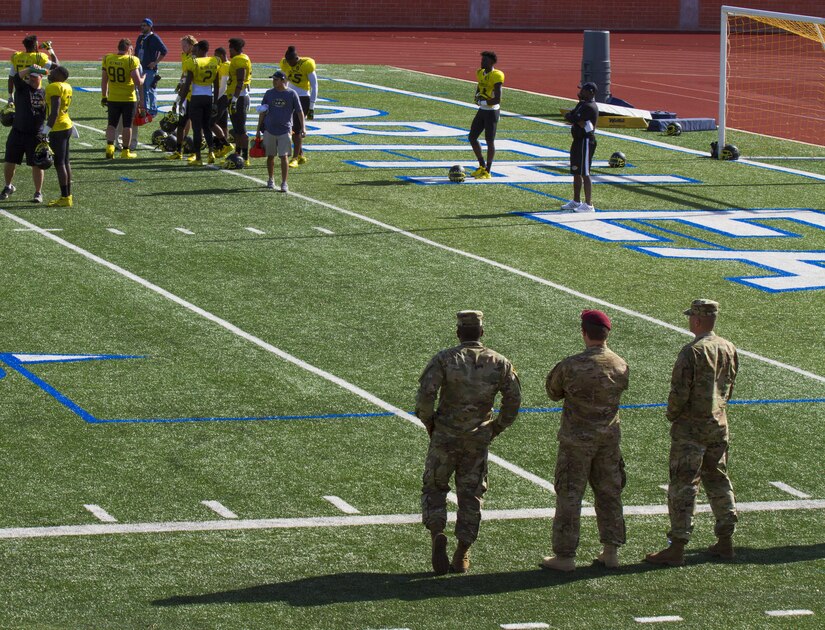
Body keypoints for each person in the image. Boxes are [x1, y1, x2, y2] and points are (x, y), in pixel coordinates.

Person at [416, 310, 521, 575]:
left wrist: (430, 422)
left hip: (445, 435)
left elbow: (426, 395)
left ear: (458, 332)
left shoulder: (445, 359)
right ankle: (462, 552)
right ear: (482, 333)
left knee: (435, 487)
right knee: (471, 495)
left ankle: (437, 531)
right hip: (477, 438)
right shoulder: (499, 362)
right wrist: (496, 427)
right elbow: (514, 399)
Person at [645, 299, 739, 567]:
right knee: (718, 479)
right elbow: (729, 387)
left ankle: (677, 546)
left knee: (683, 485)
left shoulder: (692, 352)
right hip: (718, 424)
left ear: (696, 320)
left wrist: (672, 414)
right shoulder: (729, 348)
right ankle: (725, 540)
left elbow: (679, 392)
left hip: (691, 429)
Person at [540, 310, 629, 572]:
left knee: (569, 495)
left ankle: (565, 556)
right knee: (609, 493)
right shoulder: (620, 364)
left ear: (584, 332)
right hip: (608, 440)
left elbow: (553, 392)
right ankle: (611, 551)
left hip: (576, 441)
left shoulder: (571, 365)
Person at [1, 65, 47, 203]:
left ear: (41, 78)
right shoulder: (22, 89)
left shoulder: (46, 92)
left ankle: (38, 192)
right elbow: (16, 77)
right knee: (10, 161)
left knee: (37, 164)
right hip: (18, 132)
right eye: (30, 77)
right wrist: (30, 69)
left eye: (34, 77)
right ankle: (8, 186)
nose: (31, 79)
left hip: (36, 134)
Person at [255, 70, 304, 193]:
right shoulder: (269, 93)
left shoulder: (292, 94)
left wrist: (303, 127)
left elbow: (299, 111)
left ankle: (284, 183)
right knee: (270, 156)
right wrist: (258, 129)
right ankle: (271, 179)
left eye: (276, 80)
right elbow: (262, 111)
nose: (273, 82)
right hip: (269, 129)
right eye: (273, 79)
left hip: (285, 130)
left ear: (283, 80)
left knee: (284, 157)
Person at [101, 38, 144, 159]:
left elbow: (104, 80)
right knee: (127, 125)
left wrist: (104, 96)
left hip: (113, 97)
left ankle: (110, 148)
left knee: (111, 124)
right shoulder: (132, 60)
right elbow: (137, 81)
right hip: (128, 98)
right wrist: (143, 78)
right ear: (129, 48)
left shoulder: (108, 58)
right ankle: (125, 151)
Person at [177, 40, 219, 166]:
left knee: (196, 129)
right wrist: (215, 102)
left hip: (196, 97)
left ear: (200, 49)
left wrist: (181, 99)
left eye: (196, 50)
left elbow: (187, 83)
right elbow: (216, 85)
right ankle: (211, 152)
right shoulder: (214, 61)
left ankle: (199, 158)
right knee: (206, 127)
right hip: (208, 97)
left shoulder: (193, 62)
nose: (194, 52)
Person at [560, 82, 599, 213]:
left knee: (585, 173)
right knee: (576, 171)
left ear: (590, 92)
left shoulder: (589, 107)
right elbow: (571, 116)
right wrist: (575, 119)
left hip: (585, 142)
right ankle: (576, 200)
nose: (581, 92)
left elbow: (573, 117)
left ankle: (589, 204)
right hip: (578, 140)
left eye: (583, 90)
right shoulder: (582, 104)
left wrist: (574, 118)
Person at [279, 45, 317, 168]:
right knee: (288, 127)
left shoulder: (307, 64)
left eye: (292, 61)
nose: (290, 64)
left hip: (303, 98)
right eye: (288, 61)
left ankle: (295, 158)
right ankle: (300, 155)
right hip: (290, 97)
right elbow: (285, 81)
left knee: (296, 129)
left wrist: (312, 106)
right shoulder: (284, 63)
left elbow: (314, 86)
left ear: (296, 58)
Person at [469, 51, 503, 180]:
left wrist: (482, 101)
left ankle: (488, 171)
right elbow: (479, 85)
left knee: (490, 140)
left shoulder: (497, 75)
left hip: (492, 111)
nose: (481, 62)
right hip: (483, 110)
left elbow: (498, 99)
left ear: (491, 62)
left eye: (484, 60)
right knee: (472, 137)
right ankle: (482, 166)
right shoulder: (480, 72)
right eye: (481, 60)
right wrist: (477, 96)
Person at [43, 64, 73, 207]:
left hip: (58, 127)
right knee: (65, 162)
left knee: (59, 163)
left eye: (54, 71)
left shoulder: (54, 87)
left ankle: (65, 197)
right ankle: (68, 196)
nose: (51, 72)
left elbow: (54, 112)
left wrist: (45, 131)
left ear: (60, 75)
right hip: (67, 124)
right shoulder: (66, 86)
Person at [166, 35, 196, 161]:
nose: (182, 48)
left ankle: (195, 151)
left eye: (185, 45)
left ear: (191, 45)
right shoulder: (184, 55)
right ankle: (180, 149)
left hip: (195, 94)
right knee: (182, 121)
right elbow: (184, 73)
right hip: (186, 93)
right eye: (182, 45)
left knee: (195, 123)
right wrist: (180, 83)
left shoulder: (195, 57)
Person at [226, 37, 252, 165]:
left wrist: (235, 98)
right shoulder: (239, 59)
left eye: (230, 49)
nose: (229, 52)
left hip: (239, 97)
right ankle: (238, 153)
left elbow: (241, 81)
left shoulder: (240, 59)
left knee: (241, 129)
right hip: (236, 96)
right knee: (236, 129)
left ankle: (246, 157)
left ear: (234, 49)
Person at [8, 35, 58, 101]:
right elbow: (57, 66)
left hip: (20, 92)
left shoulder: (16, 56)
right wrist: (49, 49)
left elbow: (11, 78)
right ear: (35, 46)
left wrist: (10, 97)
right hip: (34, 92)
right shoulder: (39, 57)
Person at [134, 18, 167, 116]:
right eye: (142, 25)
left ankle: (152, 111)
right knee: (142, 90)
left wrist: (155, 62)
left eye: (145, 25)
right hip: (140, 67)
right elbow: (136, 51)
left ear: (150, 26)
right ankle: (144, 109)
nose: (142, 27)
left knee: (151, 90)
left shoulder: (154, 38)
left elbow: (164, 51)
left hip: (150, 69)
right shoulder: (140, 38)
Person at [210, 47, 233, 158]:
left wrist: (214, 100)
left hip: (222, 97)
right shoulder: (227, 65)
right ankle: (223, 148)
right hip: (225, 97)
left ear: (223, 55)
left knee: (210, 123)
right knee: (223, 123)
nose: (215, 58)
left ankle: (226, 144)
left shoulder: (224, 66)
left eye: (217, 56)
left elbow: (223, 86)